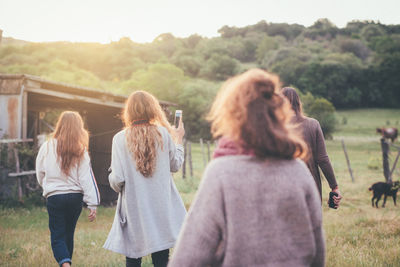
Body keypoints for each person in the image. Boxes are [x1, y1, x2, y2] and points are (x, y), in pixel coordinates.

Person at [169, 69, 325, 267]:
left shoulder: (220, 173)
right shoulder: (299, 172)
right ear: (278, 113)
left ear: (233, 114)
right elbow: (318, 254)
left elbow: (188, 258)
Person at [103, 91, 186, 267]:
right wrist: (178, 139)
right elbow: (175, 165)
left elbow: (117, 179)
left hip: (134, 206)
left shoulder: (119, 139)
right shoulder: (163, 134)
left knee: (133, 256)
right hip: (161, 204)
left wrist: (113, 176)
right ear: (153, 109)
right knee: (162, 256)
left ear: (129, 111)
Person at [36, 111, 100, 267]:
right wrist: (92, 203)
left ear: (60, 125)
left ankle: (65, 264)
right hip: (74, 198)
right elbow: (87, 178)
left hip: (55, 197)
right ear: (79, 128)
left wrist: (47, 187)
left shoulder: (47, 146)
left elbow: (40, 172)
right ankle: (67, 263)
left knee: (58, 235)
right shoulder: (81, 150)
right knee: (68, 234)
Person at [282, 87, 342, 208]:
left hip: (281, 187)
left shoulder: (273, 127)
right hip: (309, 185)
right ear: (299, 103)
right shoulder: (312, 124)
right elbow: (322, 159)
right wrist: (334, 187)